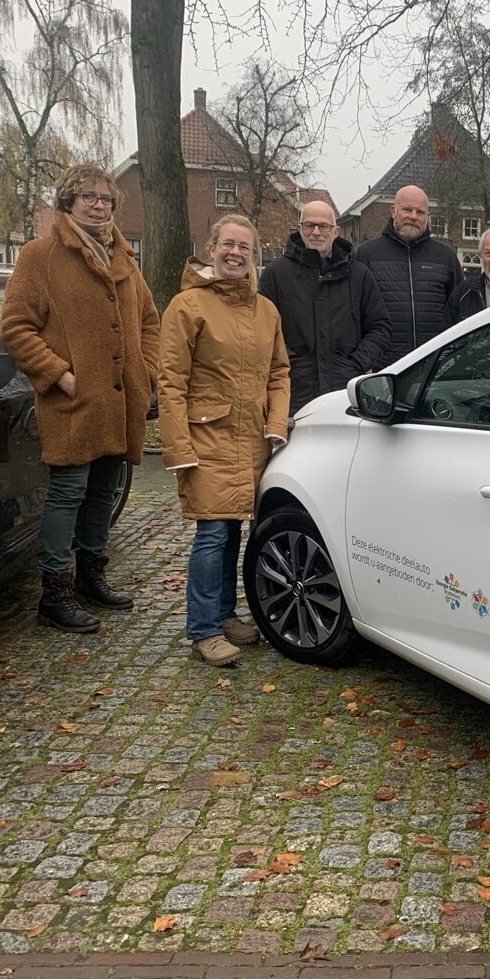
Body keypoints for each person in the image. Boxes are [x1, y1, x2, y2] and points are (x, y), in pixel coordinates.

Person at [0, 164, 160, 633]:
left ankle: (93, 578)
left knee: (102, 492)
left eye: (106, 198)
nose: (99, 205)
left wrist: (146, 373)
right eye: (88, 197)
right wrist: (59, 375)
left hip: (120, 400)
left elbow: (150, 321)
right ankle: (55, 593)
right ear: (67, 202)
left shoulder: (124, 258)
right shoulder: (41, 256)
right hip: (73, 402)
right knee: (67, 493)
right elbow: (15, 327)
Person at [156, 214, 290, 667]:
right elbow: (170, 381)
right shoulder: (187, 305)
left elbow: (278, 372)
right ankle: (204, 629)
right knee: (213, 532)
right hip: (206, 438)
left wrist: (277, 424)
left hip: (250, 438)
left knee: (234, 527)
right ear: (211, 248)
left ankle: (225, 614)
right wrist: (177, 447)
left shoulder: (265, 310)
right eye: (227, 244)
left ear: (254, 256)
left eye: (244, 247)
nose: (235, 253)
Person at [259, 198, 391, 412]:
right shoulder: (276, 275)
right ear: (299, 229)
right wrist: (288, 365)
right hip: (292, 394)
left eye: (323, 226)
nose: (316, 232)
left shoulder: (359, 275)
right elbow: (262, 330)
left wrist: (356, 363)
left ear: (336, 231)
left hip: (344, 394)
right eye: (310, 225)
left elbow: (380, 327)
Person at [353, 184, 462, 363]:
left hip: (433, 364)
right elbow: (353, 314)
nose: (413, 216)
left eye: (420, 212)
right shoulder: (366, 255)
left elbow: (459, 311)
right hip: (383, 368)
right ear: (393, 210)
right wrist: (364, 361)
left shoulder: (445, 257)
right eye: (407, 210)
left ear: (428, 216)